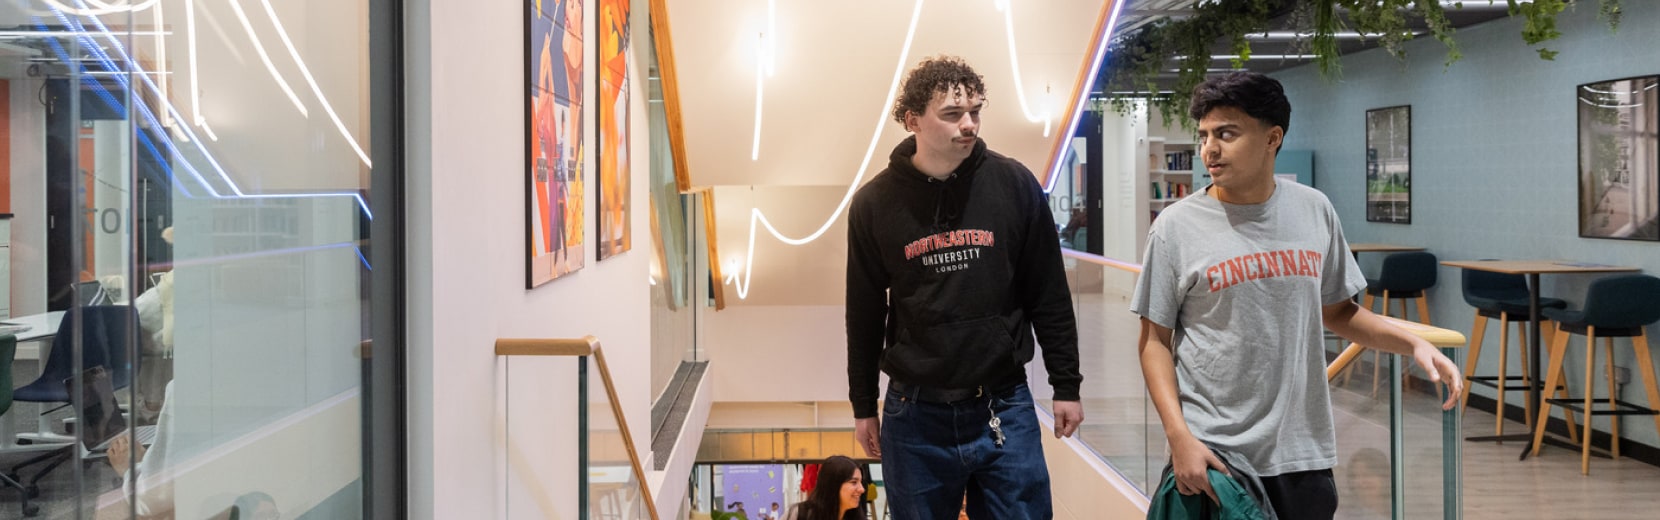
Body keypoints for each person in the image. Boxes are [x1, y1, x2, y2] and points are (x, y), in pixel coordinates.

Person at [1131, 72, 1461, 520]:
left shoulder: (1314, 210)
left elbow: (1341, 312)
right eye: (1205, 135)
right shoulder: (1175, 228)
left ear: (1272, 138)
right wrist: (1179, 437)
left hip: (1304, 454)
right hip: (1215, 454)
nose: (1210, 148)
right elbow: (1153, 342)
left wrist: (1415, 344)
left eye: (1227, 134)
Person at [845, 55, 1083, 519]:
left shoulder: (1014, 184)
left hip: (1004, 405)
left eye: (975, 111)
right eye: (952, 114)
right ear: (913, 120)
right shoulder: (874, 204)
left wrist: (1066, 384)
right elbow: (865, 312)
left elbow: (1048, 293)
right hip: (914, 415)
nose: (969, 124)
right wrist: (862, 403)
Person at [784, 456, 864, 520]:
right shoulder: (800, 514)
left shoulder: (857, 516)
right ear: (834, 485)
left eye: (861, 482)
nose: (862, 489)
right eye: (854, 482)